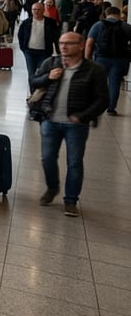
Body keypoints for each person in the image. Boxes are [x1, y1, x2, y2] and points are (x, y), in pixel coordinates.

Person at [32, 32, 109, 216]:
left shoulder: (94, 70)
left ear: (81, 45)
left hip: (76, 124)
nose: (63, 47)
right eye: (61, 43)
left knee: (74, 162)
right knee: (47, 158)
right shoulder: (51, 63)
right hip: (50, 120)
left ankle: (71, 200)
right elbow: (34, 82)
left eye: (68, 43)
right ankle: (52, 188)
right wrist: (48, 77)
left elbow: (102, 100)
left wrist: (83, 116)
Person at [85, 6, 130, 115]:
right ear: (119, 14)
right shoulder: (126, 26)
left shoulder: (98, 25)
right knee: (114, 83)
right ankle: (111, 108)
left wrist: (86, 59)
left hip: (101, 58)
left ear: (106, 14)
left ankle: (95, 106)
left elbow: (89, 44)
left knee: (98, 82)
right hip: (120, 59)